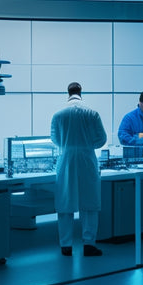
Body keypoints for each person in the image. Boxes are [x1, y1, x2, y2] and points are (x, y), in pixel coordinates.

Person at [51, 82, 107, 257]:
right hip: (87, 159)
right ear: (81, 93)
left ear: (67, 93)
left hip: (66, 159)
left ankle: (66, 245)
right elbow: (102, 139)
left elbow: (55, 140)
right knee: (89, 203)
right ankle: (89, 244)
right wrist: (87, 145)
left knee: (65, 204)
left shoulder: (58, 115)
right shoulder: (92, 113)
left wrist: (69, 146)